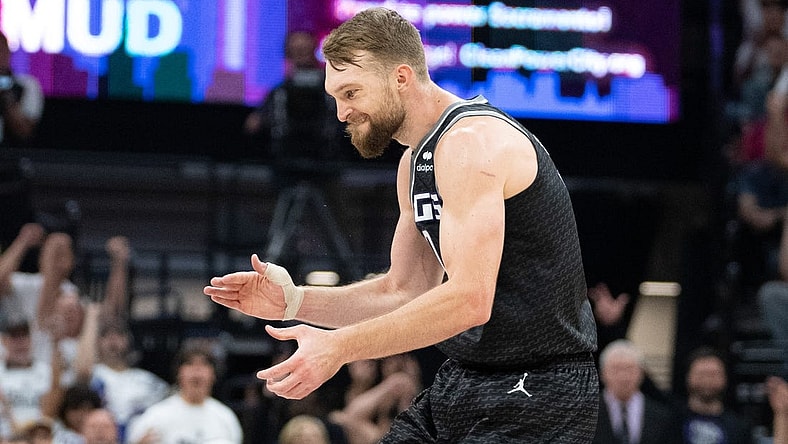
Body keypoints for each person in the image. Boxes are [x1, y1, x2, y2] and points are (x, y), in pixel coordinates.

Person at [204, 6, 599, 442]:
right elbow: (403, 291)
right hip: (466, 376)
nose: (341, 113)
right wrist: (295, 301)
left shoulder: (471, 143)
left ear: (401, 77)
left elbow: (470, 300)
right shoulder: (414, 161)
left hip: (540, 384)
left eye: (351, 93)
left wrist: (340, 346)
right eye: (336, 97)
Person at [125, 343, 242, 444]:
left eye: (204, 364)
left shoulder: (226, 417)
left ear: (213, 375)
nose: (197, 370)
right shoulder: (155, 416)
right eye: (190, 364)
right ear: (178, 373)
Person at [592, 339, 681, 444]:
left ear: (641, 373)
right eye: (616, 369)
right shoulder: (587, 412)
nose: (623, 376)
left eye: (629, 369)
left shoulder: (662, 415)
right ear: (602, 374)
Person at [680, 347, 753, 444]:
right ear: (688, 377)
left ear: (725, 378)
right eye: (701, 374)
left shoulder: (740, 427)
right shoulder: (670, 420)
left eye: (713, 374)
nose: (707, 380)